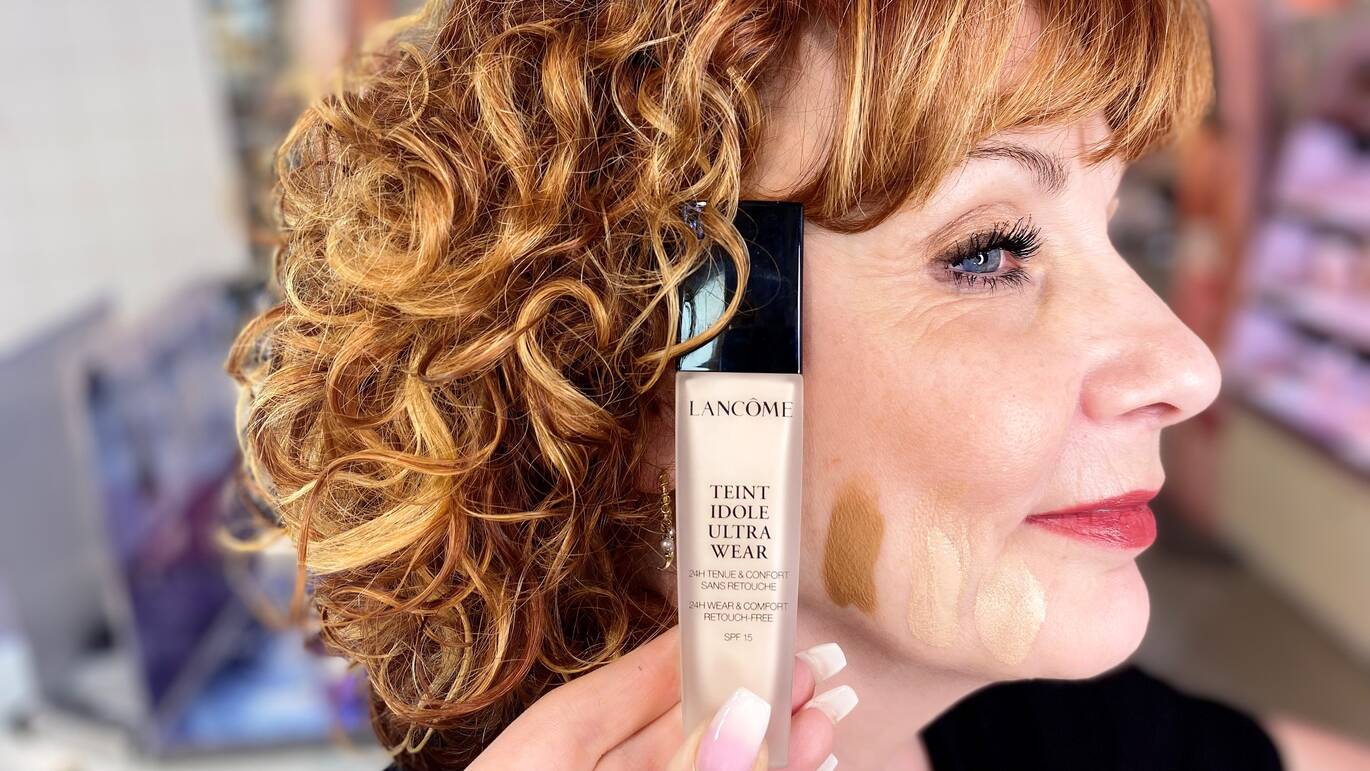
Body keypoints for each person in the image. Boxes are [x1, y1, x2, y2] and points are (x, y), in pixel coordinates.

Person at [227, 0, 1370, 768]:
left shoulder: (1039, 724)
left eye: (1108, 224)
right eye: (989, 250)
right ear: (631, 389)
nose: (1184, 367)